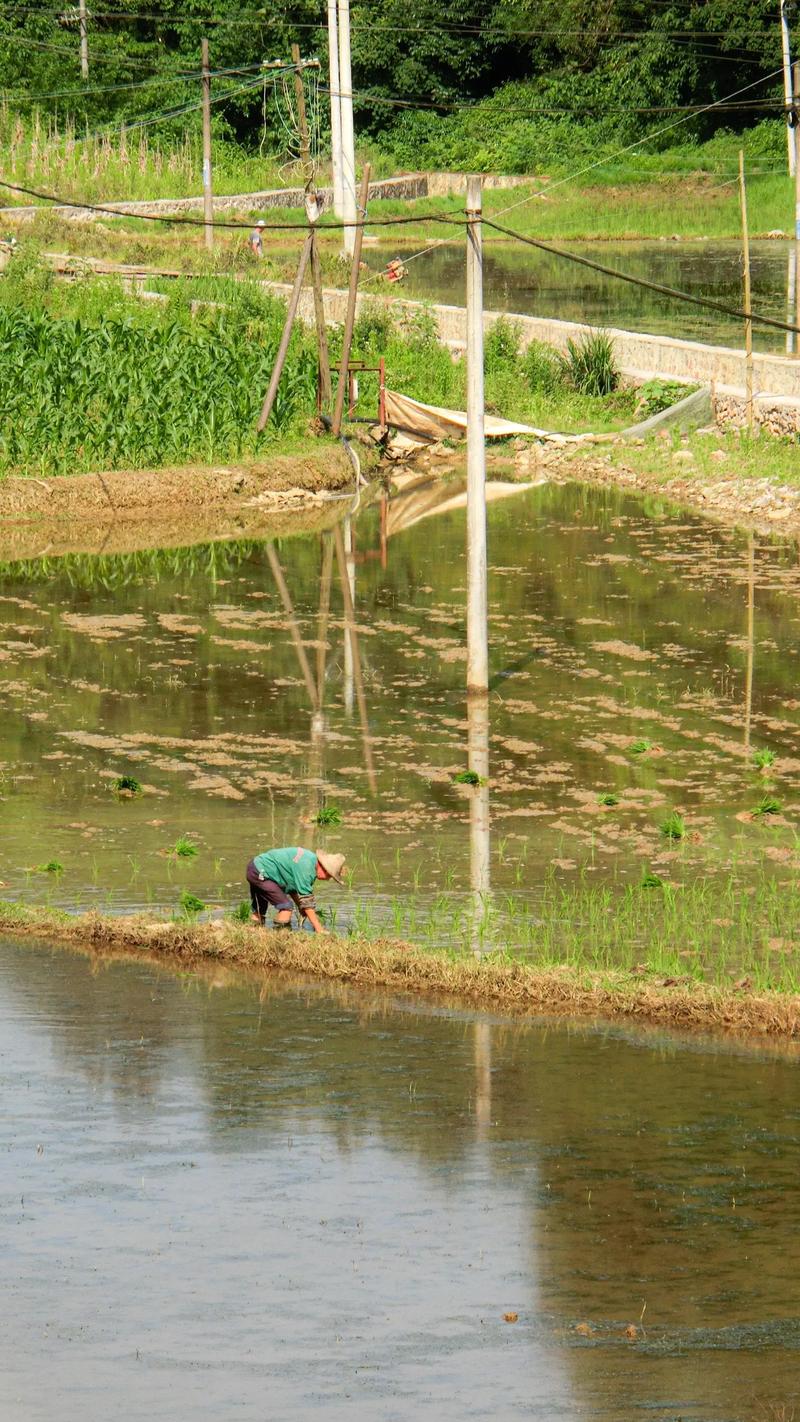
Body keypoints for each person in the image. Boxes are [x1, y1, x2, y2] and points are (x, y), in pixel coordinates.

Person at [246, 846, 346, 933]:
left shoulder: (310, 859)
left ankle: (252, 935)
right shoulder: (307, 869)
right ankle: (278, 939)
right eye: (329, 875)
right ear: (324, 868)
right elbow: (307, 901)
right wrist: (319, 928)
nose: (328, 879)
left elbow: (293, 889)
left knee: (259, 910)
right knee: (286, 907)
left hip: (255, 867)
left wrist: (300, 906)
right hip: (262, 873)